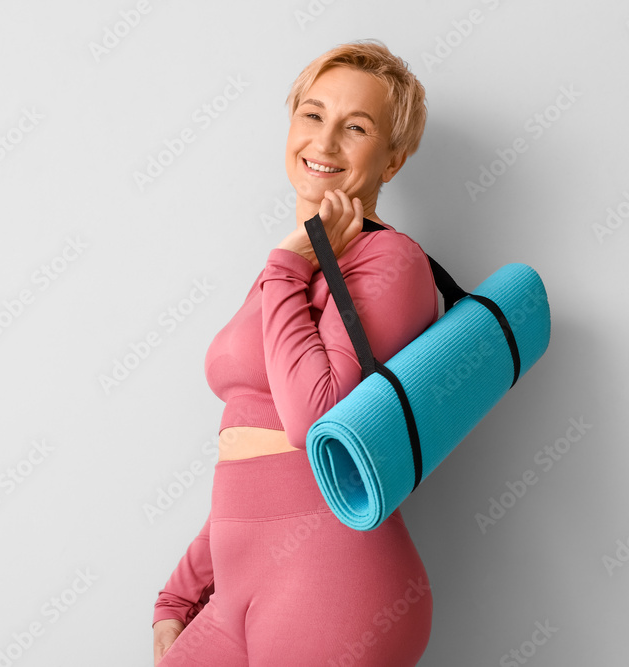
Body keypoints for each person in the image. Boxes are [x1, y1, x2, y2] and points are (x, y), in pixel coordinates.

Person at [152, 38, 438, 666]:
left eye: (356, 127)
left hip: (331, 578)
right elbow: (252, 446)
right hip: (238, 581)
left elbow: (313, 419)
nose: (325, 141)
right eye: (312, 114)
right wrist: (182, 589)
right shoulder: (294, 263)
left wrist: (287, 265)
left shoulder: (388, 261)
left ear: (392, 160)